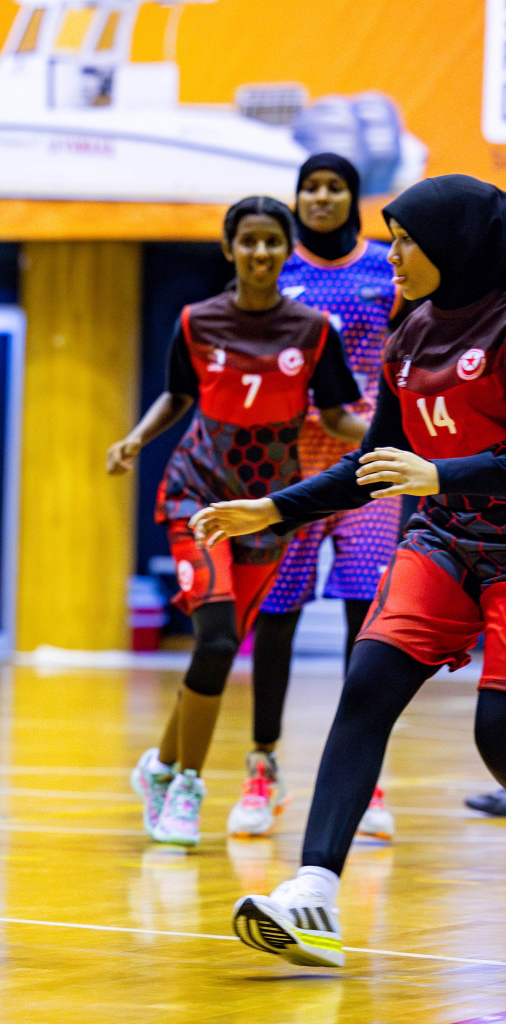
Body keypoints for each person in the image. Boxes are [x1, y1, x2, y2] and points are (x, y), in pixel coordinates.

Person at [193, 175, 506, 968]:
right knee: (364, 688)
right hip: (444, 541)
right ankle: (313, 895)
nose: (390, 256)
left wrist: (441, 474)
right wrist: (272, 509)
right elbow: (374, 462)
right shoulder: (409, 335)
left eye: (405, 242)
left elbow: (430, 467)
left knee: (497, 732)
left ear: (456, 246)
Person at [107, 196, 363, 848]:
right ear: (230, 249)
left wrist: (394, 438)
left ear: (287, 250)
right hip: (196, 495)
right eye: (248, 241)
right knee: (218, 640)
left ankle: (159, 766)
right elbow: (178, 395)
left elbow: (337, 416)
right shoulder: (197, 321)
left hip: (267, 510)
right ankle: (186, 787)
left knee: (215, 651)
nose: (260, 252)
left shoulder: (314, 331)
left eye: (272, 241)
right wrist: (135, 439)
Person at [232, 154, 401, 840]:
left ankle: (364, 777)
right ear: (297, 197)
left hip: (370, 459)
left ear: (354, 197)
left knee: (370, 622)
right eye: (311, 187)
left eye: (335, 187)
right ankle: (262, 767)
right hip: (286, 461)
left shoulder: (387, 266)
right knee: (277, 615)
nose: (321, 197)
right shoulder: (276, 266)